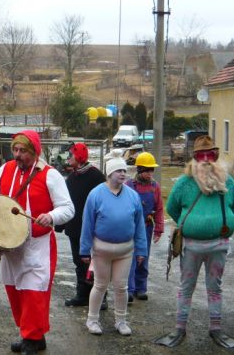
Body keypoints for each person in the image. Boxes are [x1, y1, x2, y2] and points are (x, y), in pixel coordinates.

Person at [0, 130, 74, 355]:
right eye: (15, 150)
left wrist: (50, 216)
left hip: (36, 246)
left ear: (35, 152)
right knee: (14, 291)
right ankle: (33, 335)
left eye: (23, 151)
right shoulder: (5, 169)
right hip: (10, 245)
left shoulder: (51, 175)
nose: (17, 155)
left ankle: (30, 343)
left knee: (33, 294)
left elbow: (68, 208)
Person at [154, 136, 234, 349]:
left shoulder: (227, 181)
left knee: (215, 288)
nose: (205, 159)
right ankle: (179, 329)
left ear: (215, 156)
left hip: (218, 246)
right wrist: (191, 224)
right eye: (201, 155)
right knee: (186, 288)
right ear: (194, 158)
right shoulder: (185, 183)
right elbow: (172, 208)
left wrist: (218, 222)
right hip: (191, 246)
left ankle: (216, 329)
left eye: (209, 154)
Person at [80, 150, 147, 338]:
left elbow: (139, 225)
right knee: (100, 285)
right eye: (119, 171)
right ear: (109, 173)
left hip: (125, 251)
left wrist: (141, 250)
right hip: (101, 250)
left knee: (121, 286)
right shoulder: (95, 194)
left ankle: (121, 321)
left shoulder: (133, 196)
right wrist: (84, 250)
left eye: (125, 171)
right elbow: (87, 224)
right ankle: (92, 320)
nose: (123, 174)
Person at [58, 143, 106, 308]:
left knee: (95, 262)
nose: (68, 158)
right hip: (74, 228)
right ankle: (82, 295)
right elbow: (66, 203)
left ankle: (101, 297)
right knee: (79, 262)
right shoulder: (72, 177)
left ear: (79, 156)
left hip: (92, 229)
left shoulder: (96, 176)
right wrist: (60, 223)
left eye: (71, 155)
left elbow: (103, 204)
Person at [125, 152, 164, 302]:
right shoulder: (128, 186)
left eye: (151, 170)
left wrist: (159, 229)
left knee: (143, 257)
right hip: (130, 227)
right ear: (139, 170)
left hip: (146, 228)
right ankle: (129, 289)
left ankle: (141, 288)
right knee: (129, 258)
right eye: (147, 170)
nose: (150, 174)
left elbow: (159, 208)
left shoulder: (155, 187)